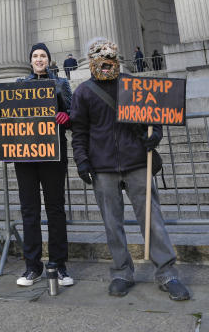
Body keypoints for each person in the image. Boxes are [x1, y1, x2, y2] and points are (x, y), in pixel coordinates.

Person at [70, 38, 190, 300]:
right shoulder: (83, 93)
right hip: (103, 167)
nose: (107, 63)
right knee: (112, 224)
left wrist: (155, 134)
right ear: (91, 61)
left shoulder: (134, 85)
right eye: (101, 59)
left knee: (152, 220)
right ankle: (122, 272)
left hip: (137, 162)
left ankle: (167, 273)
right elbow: (78, 132)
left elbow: (156, 113)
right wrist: (82, 161)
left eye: (111, 59)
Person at [0, 42, 74, 287]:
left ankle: (59, 264)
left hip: (53, 154)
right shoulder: (19, 85)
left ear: (49, 60)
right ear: (30, 60)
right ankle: (32, 266)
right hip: (25, 155)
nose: (39, 59)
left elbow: (73, 114)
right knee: (29, 211)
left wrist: (66, 118)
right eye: (35, 56)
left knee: (55, 210)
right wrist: (0, 117)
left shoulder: (61, 84)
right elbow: (12, 122)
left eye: (43, 56)